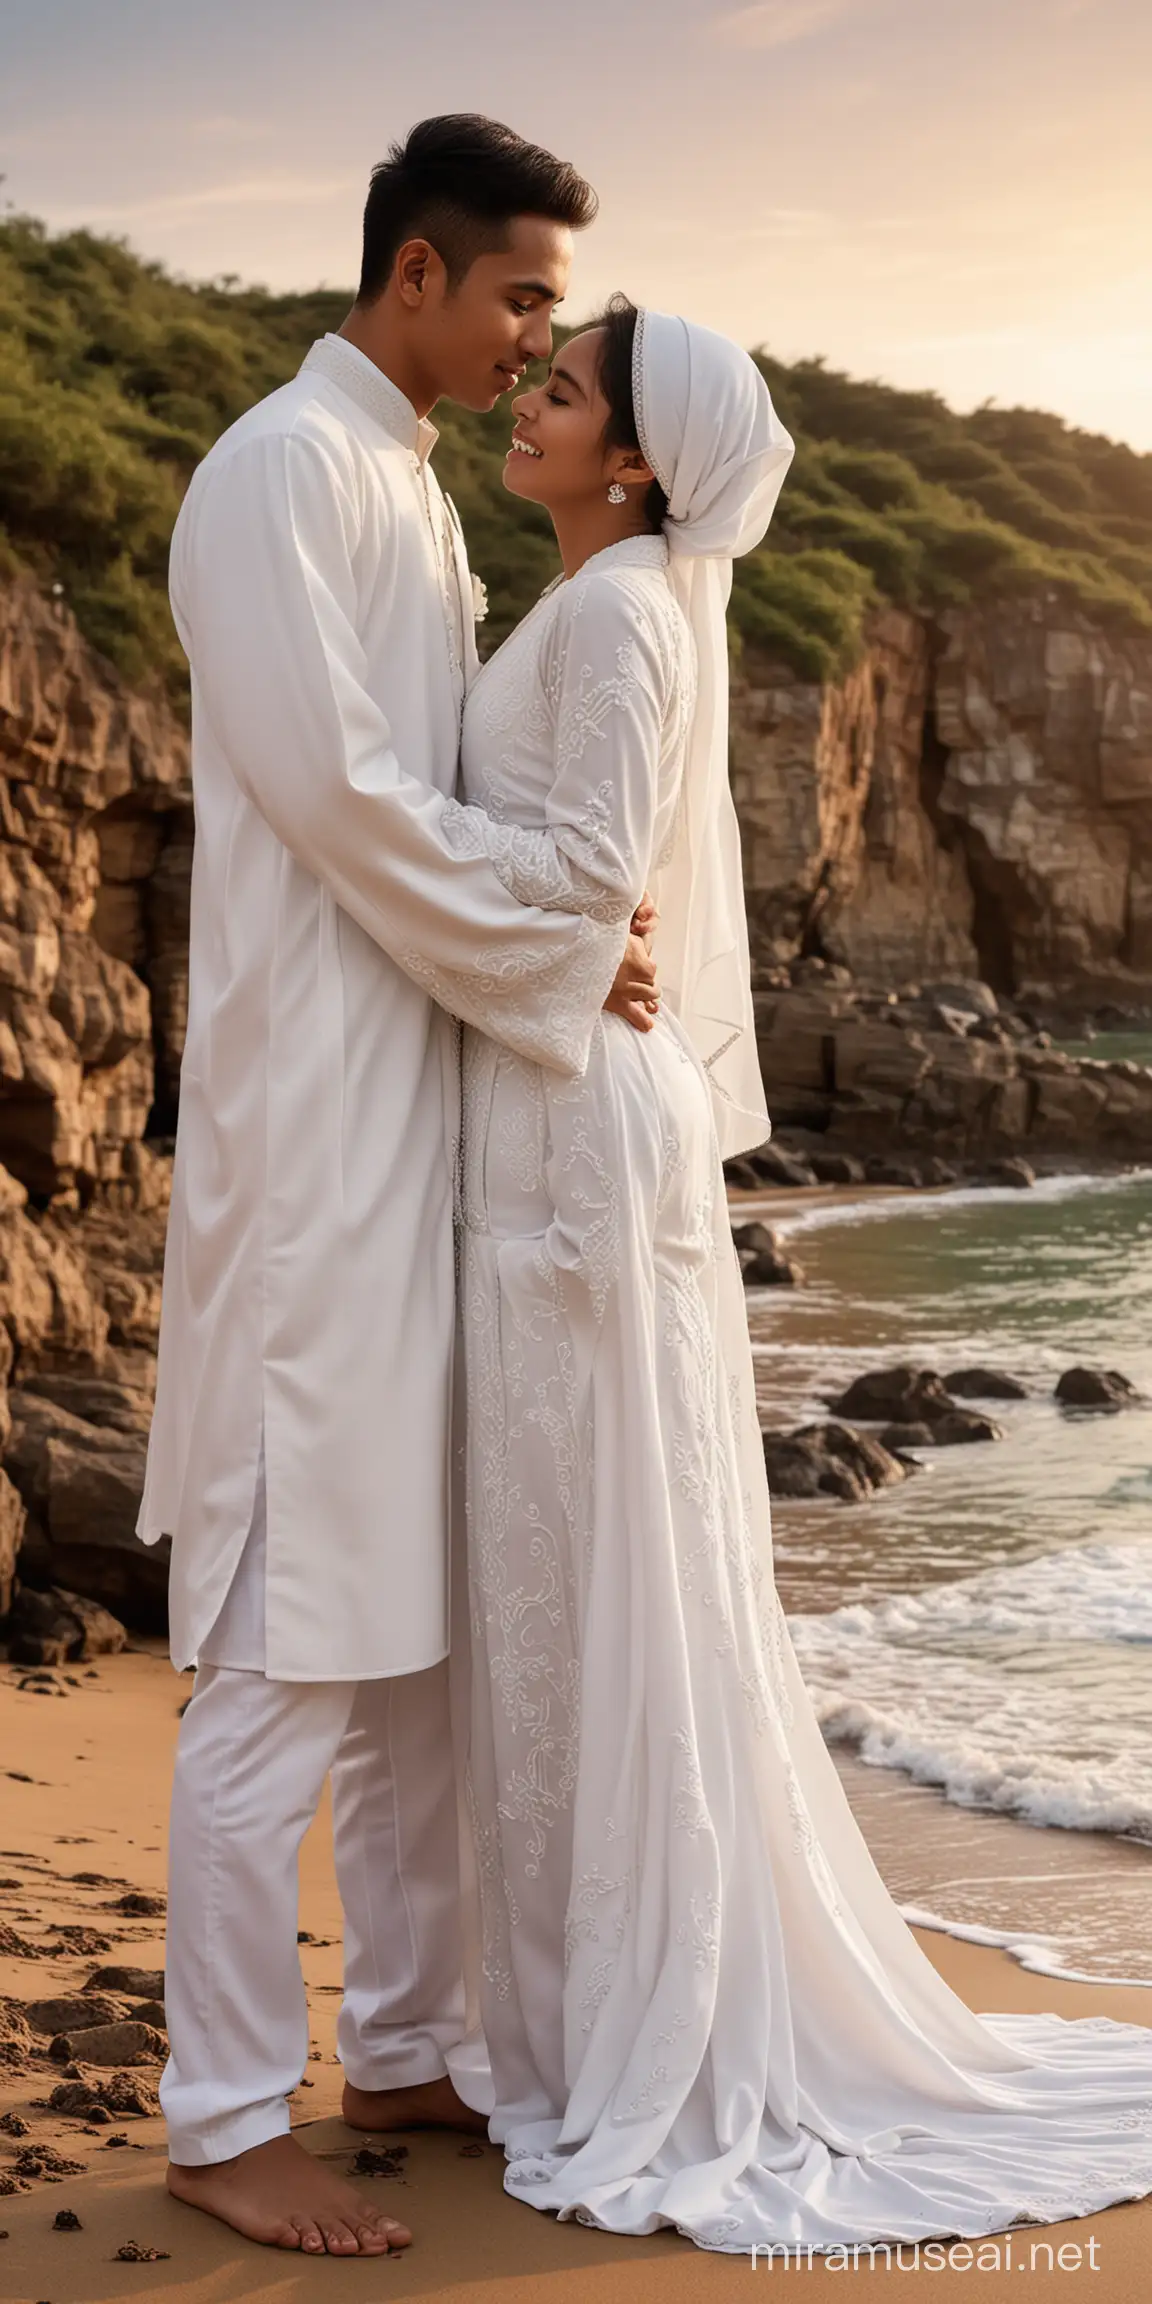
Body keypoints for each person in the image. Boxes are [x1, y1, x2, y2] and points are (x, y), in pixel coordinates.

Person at [453, 296, 1152, 2254]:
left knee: (591, 1566)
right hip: (575, 1099)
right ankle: (604, 2015)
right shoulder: (625, 604)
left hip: (573, 1119)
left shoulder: (613, 614)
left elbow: (587, 889)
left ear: (645, 462)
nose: (532, 398)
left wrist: (409, 888)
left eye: (565, 389)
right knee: (604, 1567)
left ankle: (630, 2036)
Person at [137, 117, 659, 2260]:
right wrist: (556, 943)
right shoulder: (278, 470)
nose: (544, 335)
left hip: (423, 1134)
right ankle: (219, 2110)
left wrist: (558, 931)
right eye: (528, 296)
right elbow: (348, 801)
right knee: (284, 1646)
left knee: (413, 1640)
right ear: (422, 272)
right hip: (312, 1158)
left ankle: (415, 2039)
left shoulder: (409, 493)